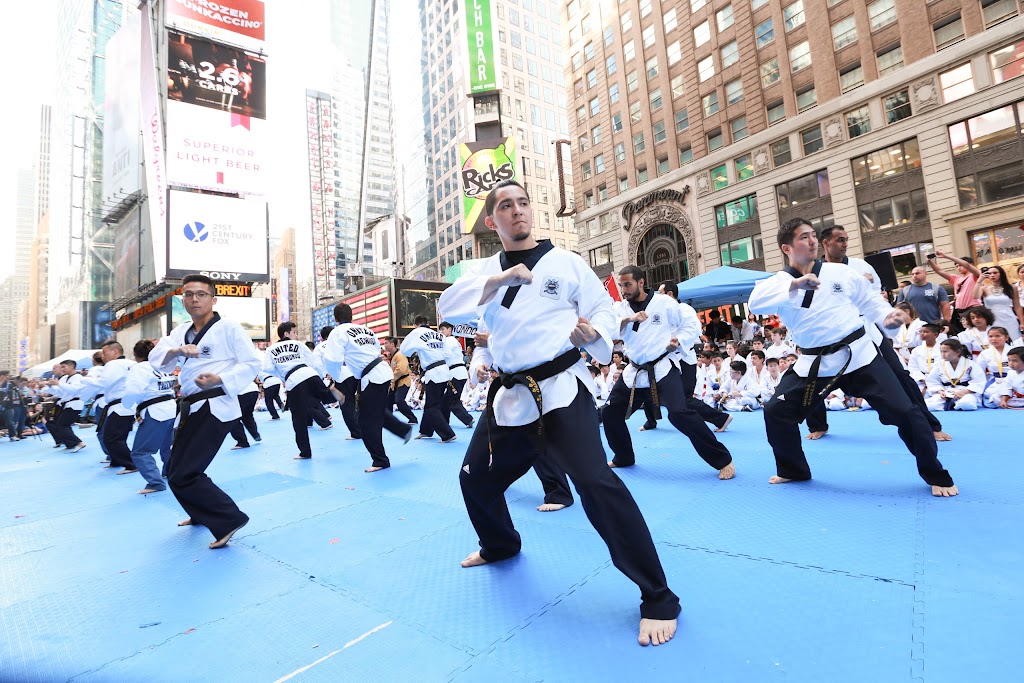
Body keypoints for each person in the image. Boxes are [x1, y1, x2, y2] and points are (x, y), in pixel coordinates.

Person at [437, 180, 680, 646]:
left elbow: (604, 311)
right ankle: (501, 544)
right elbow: (450, 305)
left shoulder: (566, 263)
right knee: (475, 478)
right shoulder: (484, 269)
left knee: (596, 483)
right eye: (505, 206)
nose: (516, 211)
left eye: (523, 203)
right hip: (509, 398)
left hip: (560, 390)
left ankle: (658, 595)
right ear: (493, 221)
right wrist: (502, 280)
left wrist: (591, 337)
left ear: (532, 212)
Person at [749, 218, 958, 497]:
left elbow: (870, 302)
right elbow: (755, 303)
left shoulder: (840, 273)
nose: (811, 241)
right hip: (815, 363)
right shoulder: (777, 283)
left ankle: (935, 473)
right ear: (787, 247)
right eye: (803, 237)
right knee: (776, 411)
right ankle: (793, 470)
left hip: (859, 357)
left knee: (906, 412)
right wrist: (796, 285)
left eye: (813, 236)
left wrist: (888, 317)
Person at [150, 274, 262, 549]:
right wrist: (177, 349)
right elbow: (159, 361)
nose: (194, 299)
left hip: (214, 405)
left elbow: (251, 363)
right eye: (188, 294)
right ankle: (199, 513)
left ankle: (229, 518)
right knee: (175, 468)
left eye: (201, 294)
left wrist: (220, 379)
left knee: (185, 472)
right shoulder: (181, 332)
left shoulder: (228, 328)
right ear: (183, 300)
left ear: (213, 299)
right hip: (192, 406)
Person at [605, 267, 735, 477]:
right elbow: (610, 329)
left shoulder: (664, 303)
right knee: (610, 413)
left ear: (641, 282)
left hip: (662, 368)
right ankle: (624, 456)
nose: (624, 290)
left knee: (679, 413)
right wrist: (629, 319)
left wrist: (680, 340)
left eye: (627, 284)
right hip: (635, 371)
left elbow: (691, 324)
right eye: (621, 285)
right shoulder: (621, 308)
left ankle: (722, 459)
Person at [323, 303, 415, 472]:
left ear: (335, 319)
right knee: (375, 411)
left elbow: (332, 360)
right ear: (351, 317)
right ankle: (403, 430)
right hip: (381, 372)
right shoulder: (366, 330)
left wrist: (336, 377)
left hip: (372, 376)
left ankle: (380, 460)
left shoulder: (337, 332)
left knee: (365, 421)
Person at [657, 281, 732, 432]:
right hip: (669, 359)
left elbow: (695, 329)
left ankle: (721, 418)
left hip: (684, 358)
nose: (658, 296)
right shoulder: (662, 311)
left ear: (670, 294)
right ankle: (654, 421)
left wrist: (678, 341)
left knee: (684, 399)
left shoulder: (684, 309)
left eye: (661, 293)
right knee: (668, 397)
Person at [264, 321, 335, 460]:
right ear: (286, 333)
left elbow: (267, 369)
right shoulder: (299, 344)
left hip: (293, 380)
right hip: (310, 373)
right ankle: (334, 394)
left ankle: (305, 452)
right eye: (294, 333)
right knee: (322, 398)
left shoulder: (270, 349)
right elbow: (312, 361)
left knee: (298, 419)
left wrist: (283, 376)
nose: (296, 335)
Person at [122, 339, 177, 494]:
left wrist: (126, 404)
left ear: (135, 354)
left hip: (155, 412)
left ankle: (155, 483)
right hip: (171, 409)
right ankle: (171, 473)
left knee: (140, 452)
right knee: (167, 447)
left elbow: (133, 391)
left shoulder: (139, 368)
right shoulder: (164, 367)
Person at [78, 341, 138, 474]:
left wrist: (84, 379)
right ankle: (117, 460)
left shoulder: (114, 364)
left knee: (111, 437)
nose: (103, 356)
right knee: (116, 436)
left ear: (115, 351)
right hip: (128, 404)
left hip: (119, 405)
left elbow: (104, 382)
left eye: (105, 353)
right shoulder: (131, 363)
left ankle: (131, 464)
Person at [401, 317, 457, 443]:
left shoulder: (417, 332)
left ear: (416, 325)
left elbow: (405, 350)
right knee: (432, 403)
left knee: (432, 406)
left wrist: (417, 350)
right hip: (444, 370)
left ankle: (447, 434)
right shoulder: (439, 335)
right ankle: (426, 430)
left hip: (433, 371)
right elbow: (448, 355)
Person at [315, 325, 358, 438]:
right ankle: (359, 429)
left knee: (346, 405)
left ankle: (356, 433)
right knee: (353, 403)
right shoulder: (344, 341)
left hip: (341, 375)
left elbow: (317, 364)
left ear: (322, 337)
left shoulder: (320, 347)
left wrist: (325, 373)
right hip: (354, 373)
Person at [928, 251, 982, 334]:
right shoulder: (956, 278)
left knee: (974, 333)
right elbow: (939, 271)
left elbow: (967, 265)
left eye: (960, 265)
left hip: (972, 308)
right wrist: (929, 261)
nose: (958, 268)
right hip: (959, 311)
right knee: (958, 332)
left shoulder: (974, 275)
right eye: (956, 266)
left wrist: (945, 256)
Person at [924, 339, 984, 411]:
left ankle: (954, 404)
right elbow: (933, 381)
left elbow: (978, 381)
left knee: (967, 404)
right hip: (946, 392)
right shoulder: (938, 365)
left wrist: (965, 392)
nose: (943, 354)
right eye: (941, 351)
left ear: (958, 352)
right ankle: (951, 403)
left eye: (945, 351)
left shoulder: (970, 364)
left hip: (964, 392)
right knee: (929, 406)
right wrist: (940, 391)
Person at [438, 322, 475, 429]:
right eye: (440, 330)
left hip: (456, 373)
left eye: (443, 330)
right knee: (446, 399)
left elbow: (446, 355)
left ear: (450, 330)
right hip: (457, 372)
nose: (441, 332)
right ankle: (444, 422)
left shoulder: (449, 340)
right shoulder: (453, 341)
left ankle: (468, 419)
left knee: (452, 400)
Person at [48, 361, 87, 452]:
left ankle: (78, 442)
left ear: (72, 366)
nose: (62, 369)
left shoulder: (78, 377)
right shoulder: (64, 378)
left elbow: (74, 390)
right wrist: (50, 387)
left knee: (61, 425)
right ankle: (70, 443)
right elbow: (59, 393)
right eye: (61, 367)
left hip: (75, 404)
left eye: (64, 367)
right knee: (62, 424)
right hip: (65, 404)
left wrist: (58, 384)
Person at [975, 265, 1024, 336]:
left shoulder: (1011, 288)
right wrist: (979, 280)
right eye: (990, 273)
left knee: (1014, 340)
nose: (992, 275)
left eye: (995, 273)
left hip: (1009, 319)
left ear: (1001, 274)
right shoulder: (984, 288)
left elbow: (1017, 306)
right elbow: (975, 296)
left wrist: (1022, 322)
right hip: (992, 320)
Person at [382, 336, 418, 424]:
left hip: (403, 381)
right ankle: (388, 419)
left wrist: (391, 378)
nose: (384, 345)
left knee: (399, 400)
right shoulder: (393, 356)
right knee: (388, 400)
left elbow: (401, 370)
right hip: (395, 382)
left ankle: (412, 418)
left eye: (386, 343)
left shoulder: (400, 355)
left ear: (392, 344)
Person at [228, 379, 262, 449]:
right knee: (247, 415)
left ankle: (242, 442)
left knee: (233, 417)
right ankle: (255, 434)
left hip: (241, 391)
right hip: (253, 389)